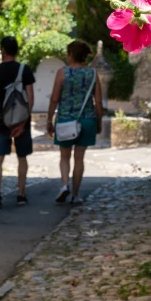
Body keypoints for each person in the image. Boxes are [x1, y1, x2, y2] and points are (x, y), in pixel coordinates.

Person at [47, 40, 103, 204]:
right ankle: (76, 195)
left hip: (65, 120)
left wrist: (50, 119)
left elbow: (54, 99)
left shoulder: (62, 73)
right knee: (79, 158)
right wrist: (98, 122)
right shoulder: (93, 74)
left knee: (65, 156)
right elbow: (98, 102)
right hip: (86, 120)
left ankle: (64, 186)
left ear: (71, 55)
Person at [0, 36, 35, 209]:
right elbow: (30, 98)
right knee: (22, 158)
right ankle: (21, 194)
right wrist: (22, 121)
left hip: (1, 123)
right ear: (16, 50)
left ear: (3, 50)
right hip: (22, 122)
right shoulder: (25, 70)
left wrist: (3, 118)